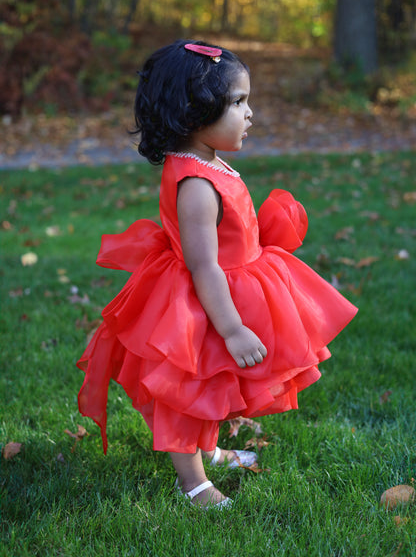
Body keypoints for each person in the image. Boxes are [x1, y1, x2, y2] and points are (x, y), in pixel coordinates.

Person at [77, 39, 358, 509]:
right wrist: (232, 329)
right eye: (238, 103)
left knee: (214, 384)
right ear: (194, 112)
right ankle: (193, 484)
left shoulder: (204, 160)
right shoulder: (196, 187)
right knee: (188, 391)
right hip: (204, 299)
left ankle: (211, 448)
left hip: (229, 286)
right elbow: (203, 264)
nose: (250, 114)